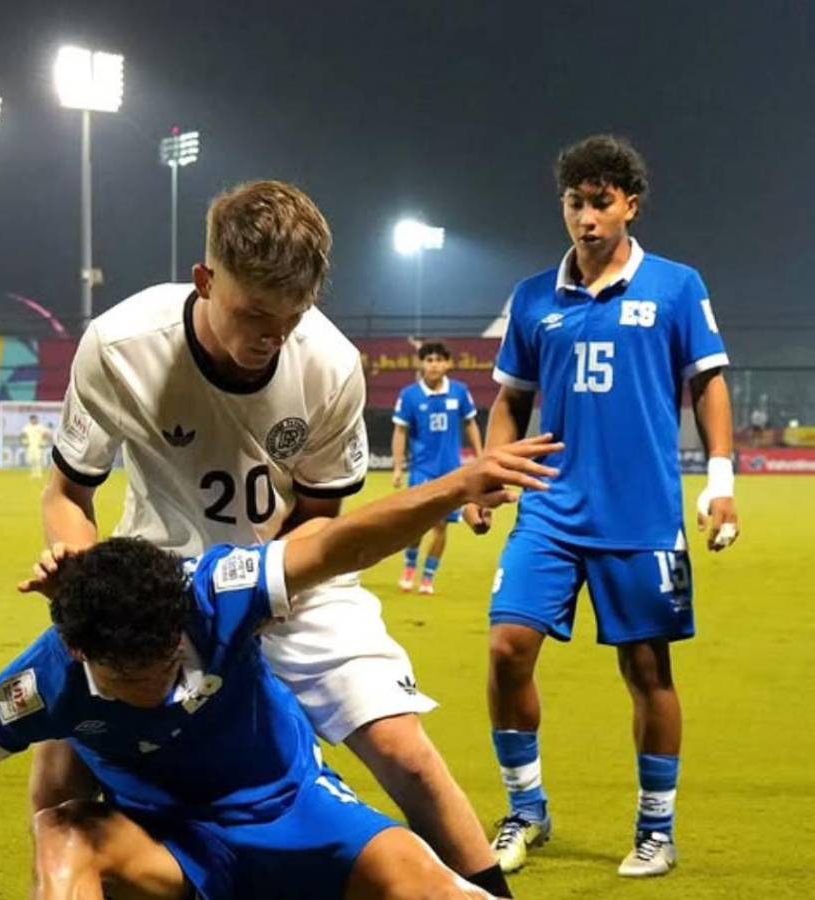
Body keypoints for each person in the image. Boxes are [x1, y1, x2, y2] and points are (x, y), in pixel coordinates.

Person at [0, 435, 562, 900]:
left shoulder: (216, 593)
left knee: (431, 886)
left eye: (165, 664)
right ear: (81, 653)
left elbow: (334, 546)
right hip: (173, 850)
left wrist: (451, 490)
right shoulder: (45, 682)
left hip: (298, 816)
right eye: (132, 681)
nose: (158, 687)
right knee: (62, 834)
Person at [38, 180, 507, 894]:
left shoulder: (329, 362)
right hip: (163, 594)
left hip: (296, 582)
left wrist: (254, 589)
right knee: (69, 764)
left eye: (291, 317)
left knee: (406, 754)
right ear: (205, 280)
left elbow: (322, 517)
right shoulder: (120, 346)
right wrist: (80, 571)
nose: (272, 337)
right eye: (254, 312)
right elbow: (69, 492)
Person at [465, 135, 740, 877]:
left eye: (601, 202)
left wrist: (720, 481)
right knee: (506, 649)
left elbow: (709, 382)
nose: (586, 217)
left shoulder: (677, 287)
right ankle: (526, 810)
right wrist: (490, 473)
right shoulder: (532, 298)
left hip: (643, 515)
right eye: (574, 202)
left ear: (630, 205)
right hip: (550, 510)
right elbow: (510, 401)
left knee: (647, 671)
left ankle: (657, 827)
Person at [391, 342, 483, 594]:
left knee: (442, 526)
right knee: (417, 524)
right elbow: (400, 431)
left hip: (452, 471)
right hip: (422, 471)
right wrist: (398, 467)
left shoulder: (460, 392)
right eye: (429, 360)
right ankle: (410, 566)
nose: (434, 364)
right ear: (422, 364)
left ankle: (428, 577)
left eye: (439, 360)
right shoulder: (409, 395)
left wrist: (480, 455)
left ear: (448, 364)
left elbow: (470, 424)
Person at [21, 413, 50, 478]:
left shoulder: (40, 427)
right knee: (31, 460)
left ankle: (39, 474)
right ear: (30, 420)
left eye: (35, 419)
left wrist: (43, 442)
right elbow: (23, 435)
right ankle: (33, 474)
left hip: (38, 446)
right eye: (32, 419)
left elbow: (46, 434)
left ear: (37, 419)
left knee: (38, 460)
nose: (34, 420)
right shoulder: (27, 427)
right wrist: (25, 442)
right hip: (30, 446)